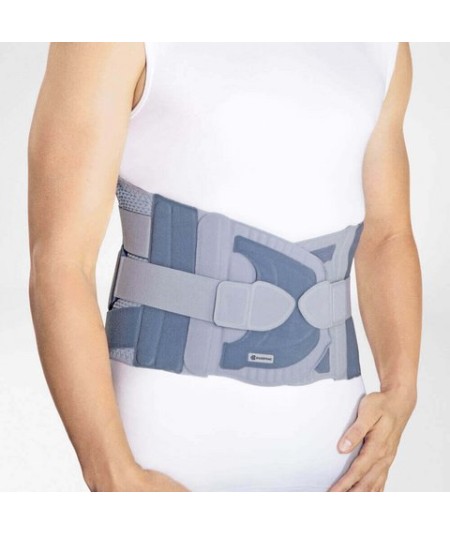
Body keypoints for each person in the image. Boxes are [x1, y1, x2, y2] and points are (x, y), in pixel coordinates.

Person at [28, 42, 421, 492]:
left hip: (335, 448)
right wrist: (110, 472)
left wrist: (402, 388)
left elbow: (388, 235)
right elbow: (59, 262)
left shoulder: (382, 41)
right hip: (167, 440)